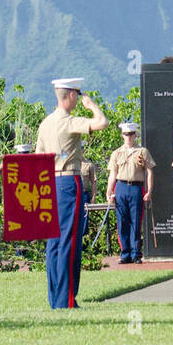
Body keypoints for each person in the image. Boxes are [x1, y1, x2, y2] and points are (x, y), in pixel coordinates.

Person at [35, 78, 107, 309]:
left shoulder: (46, 123)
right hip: (68, 182)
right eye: (78, 94)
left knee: (54, 243)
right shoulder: (69, 121)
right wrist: (92, 105)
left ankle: (56, 297)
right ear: (72, 96)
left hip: (50, 183)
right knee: (69, 241)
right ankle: (66, 300)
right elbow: (102, 123)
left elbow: (38, 158)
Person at [107, 122, 155, 265]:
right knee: (122, 222)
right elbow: (113, 173)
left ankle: (136, 253)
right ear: (122, 135)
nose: (128, 137)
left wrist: (149, 191)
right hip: (120, 186)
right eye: (126, 134)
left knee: (136, 221)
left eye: (131, 134)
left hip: (136, 187)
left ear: (135, 135)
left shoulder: (142, 151)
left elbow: (150, 171)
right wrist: (109, 191)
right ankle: (125, 253)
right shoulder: (116, 153)